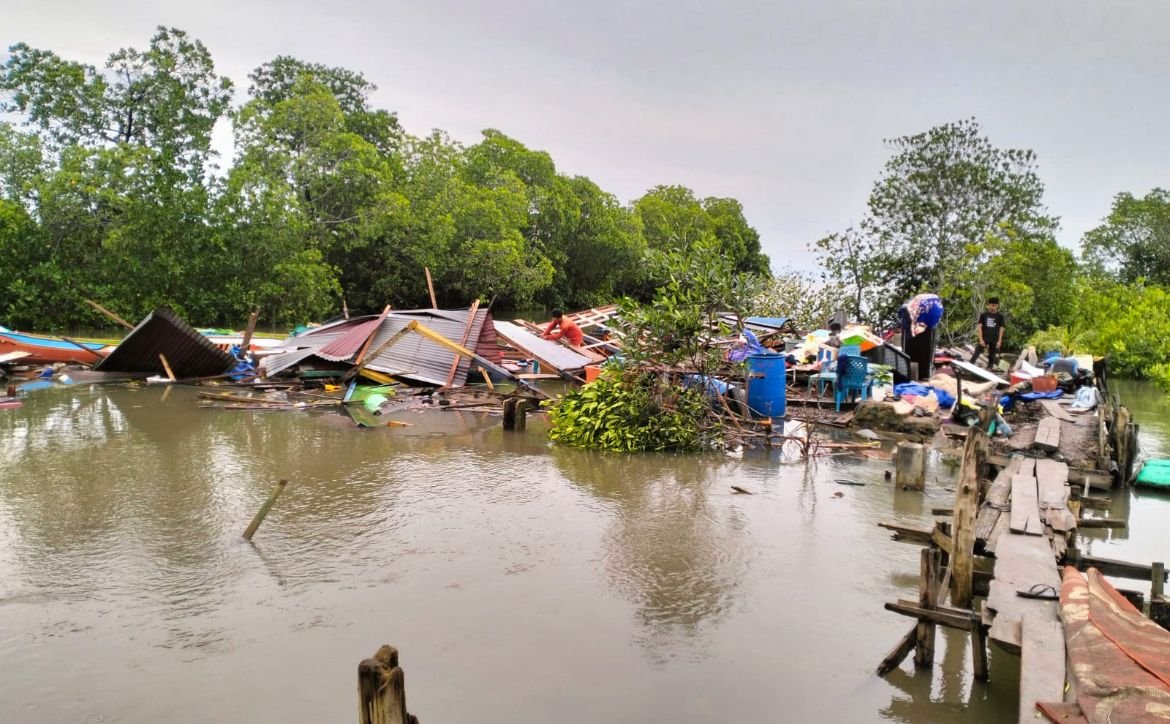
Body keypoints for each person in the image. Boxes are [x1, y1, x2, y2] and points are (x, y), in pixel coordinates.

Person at [971, 297, 1005, 368]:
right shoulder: (984, 315)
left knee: (992, 355)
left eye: (995, 305)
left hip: (994, 338)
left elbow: (1001, 328)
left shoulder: (1000, 316)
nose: (993, 307)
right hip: (984, 337)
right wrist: (981, 339)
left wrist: (999, 341)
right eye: (992, 305)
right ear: (989, 305)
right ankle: (970, 364)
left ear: (997, 306)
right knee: (977, 352)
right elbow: (979, 327)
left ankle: (990, 368)